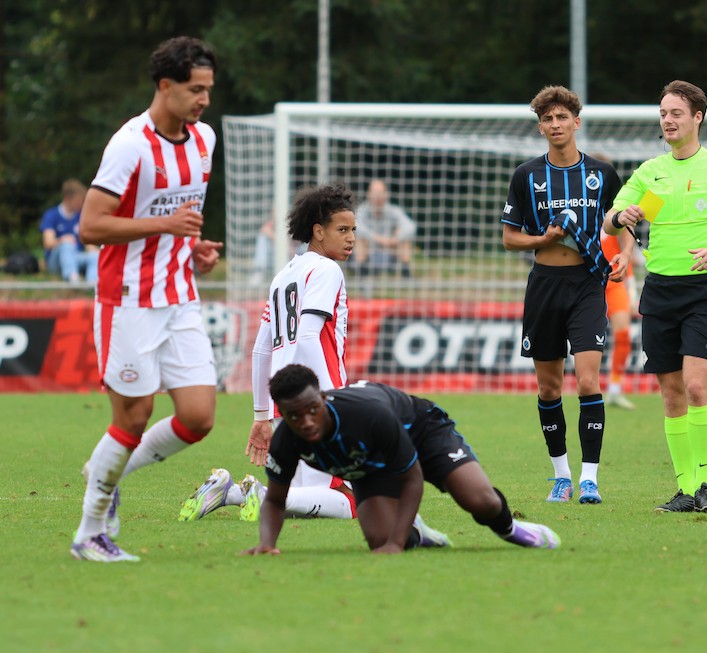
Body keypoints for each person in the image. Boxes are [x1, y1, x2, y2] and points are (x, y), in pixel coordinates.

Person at [70, 36, 224, 563]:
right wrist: (165, 224)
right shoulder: (129, 144)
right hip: (129, 299)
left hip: (180, 294)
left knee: (199, 416)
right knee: (133, 418)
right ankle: (89, 533)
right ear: (165, 86)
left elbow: (177, 220)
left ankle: (105, 470)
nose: (203, 99)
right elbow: (91, 225)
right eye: (194, 89)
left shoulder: (204, 139)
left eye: (208, 89)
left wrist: (194, 247)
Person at [606, 80, 707, 515]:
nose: (668, 120)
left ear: (697, 118)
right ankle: (685, 489)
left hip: (703, 292)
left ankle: (706, 484)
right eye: (663, 113)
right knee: (672, 394)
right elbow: (616, 222)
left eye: (676, 113)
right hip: (659, 292)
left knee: (696, 387)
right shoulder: (654, 173)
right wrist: (623, 218)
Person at [177, 184, 358, 523]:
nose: (350, 238)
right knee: (349, 502)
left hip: (284, 406)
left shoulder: (284, 274)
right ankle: (257, 494)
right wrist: (328, 399)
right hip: (315, 401)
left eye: (353, 230)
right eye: (342, 230)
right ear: (318, 231)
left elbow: (262, 349)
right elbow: (307, 337)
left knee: (304, 502)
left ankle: (228, 491)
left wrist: (263, 414)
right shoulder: (326, 270)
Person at [240, 364, 561, 555]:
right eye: (296, 416)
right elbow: (275, 500)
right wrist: (267, 544)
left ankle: (510, 528)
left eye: (313, 409)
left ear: (322, 398)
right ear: (284, 415)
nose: (307, 421)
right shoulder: (286, 440)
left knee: (481, 501)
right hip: (370, 464)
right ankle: (419, 534)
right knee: (378, 539)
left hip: (422, 432)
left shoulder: (366, 414)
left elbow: (412, 479)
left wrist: (395, 544)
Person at [501, 85, 632, 505]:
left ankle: (589, 478)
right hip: (544, 285)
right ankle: (561, 476)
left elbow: (623, 222)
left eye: (562, 118)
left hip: (587, 286)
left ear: (577, 122)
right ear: (540, 127)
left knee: (589, 380)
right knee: (549, 388)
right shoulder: (526, 175)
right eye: (548, 119)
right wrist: (544, 237)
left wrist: (626, 255)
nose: (555, 125)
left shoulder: (601, 174)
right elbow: (509, 238)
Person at [601, 227, 639, 410]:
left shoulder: (615, 218)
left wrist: (632, 290)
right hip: (588, 283)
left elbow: (626, 252)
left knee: (623, 336)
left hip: (615, 282)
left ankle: (614, 389)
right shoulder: (584, 212)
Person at [352, 179, 416, 277]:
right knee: (359, 238)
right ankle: (361, 273)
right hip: (369, 251)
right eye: (375, 193)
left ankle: (406, 273)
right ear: (369, 194)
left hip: (390, 251)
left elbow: (411, 226)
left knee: (404, 239)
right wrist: (377, 238)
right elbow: (355, 225)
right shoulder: (362, 210)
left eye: (380, 193)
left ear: (386, 195)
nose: (377, 197)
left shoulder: (394, 210)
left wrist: (395, 239)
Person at [39, 178, 100, 283]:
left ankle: (92, 284)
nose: (81, 204)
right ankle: (72, 279)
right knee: (66, 245)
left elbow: (87, 244)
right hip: (56, 262)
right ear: (67, 198)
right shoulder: (51, 215)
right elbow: (48, 243)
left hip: (76, 257)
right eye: (79, 200)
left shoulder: (81, 216)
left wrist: (97, 252)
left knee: (95, 256)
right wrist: (62, 240)